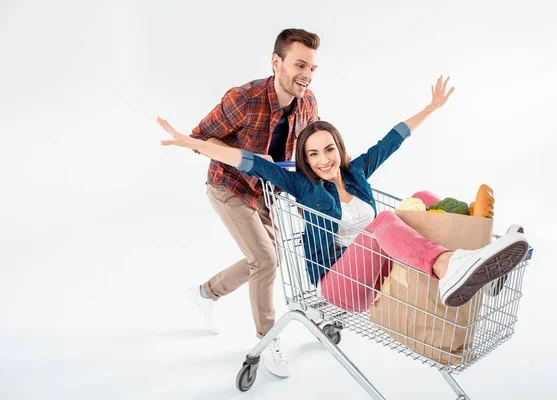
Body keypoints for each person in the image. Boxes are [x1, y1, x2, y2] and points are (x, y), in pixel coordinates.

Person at [158, 75, 530, 320]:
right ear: (305, 160)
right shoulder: (302, 185)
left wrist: (430, 109)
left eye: (329, 150)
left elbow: (392, 140)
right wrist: (191, 143)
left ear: (340, 149)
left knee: (423, 197)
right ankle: (452, 265)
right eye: (313, 154)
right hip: (340, 284)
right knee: (386, 220)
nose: (323, 160)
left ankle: (479, 256)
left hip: (379, 269)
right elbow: (248, 161)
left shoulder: (357, 172)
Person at [182, 28, 320, 377]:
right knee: (266, 259)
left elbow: (311, 148)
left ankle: (205, 294)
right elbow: (198, 139)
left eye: (312, 68)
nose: (306, 74)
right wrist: (252, 157)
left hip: (268, 194)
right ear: (277, 62)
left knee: (263, 260)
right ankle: (266, 340)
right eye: (299, 64)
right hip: (230, 185)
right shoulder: (245, 98)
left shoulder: (309, 102)